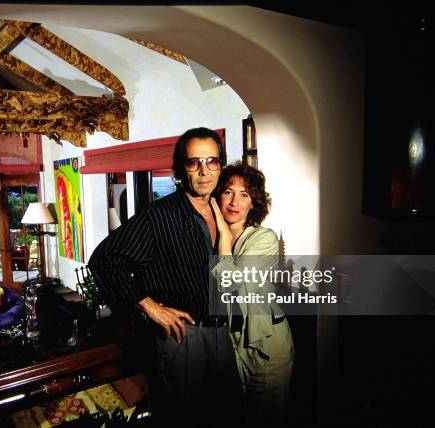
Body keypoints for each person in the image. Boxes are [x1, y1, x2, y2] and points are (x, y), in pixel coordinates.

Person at [89, 127, 242, 427]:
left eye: (211, 161)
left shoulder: (223, 210)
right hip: (183, 338)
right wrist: (150, 307)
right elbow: (104, 261)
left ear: (220, 165)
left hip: (223, 336)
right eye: (193, 162)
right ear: (181, 168)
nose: (203, 171)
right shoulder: (159, 216)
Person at [211, 163, 294, 427]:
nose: (235, 201)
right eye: (228, 192)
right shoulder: (208, 239)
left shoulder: (264, 239)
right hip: (230, 347)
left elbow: (230, 280)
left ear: (253, 203)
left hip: (266, 347)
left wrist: (224, 234)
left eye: (244, 195)